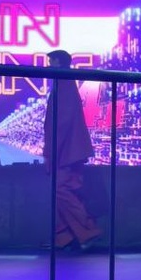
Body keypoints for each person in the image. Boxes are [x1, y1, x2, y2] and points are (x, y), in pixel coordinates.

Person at [43, 49, 102, 251]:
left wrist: (52, 151)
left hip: (65, 150)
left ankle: (88, 231)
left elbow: (62, 122)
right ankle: (64, 237)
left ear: (58, 62)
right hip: (68, 149)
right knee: (63, 189)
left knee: (61, 189)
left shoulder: (64, 82)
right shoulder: (64, 83)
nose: (48, 65)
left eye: (51, 61)